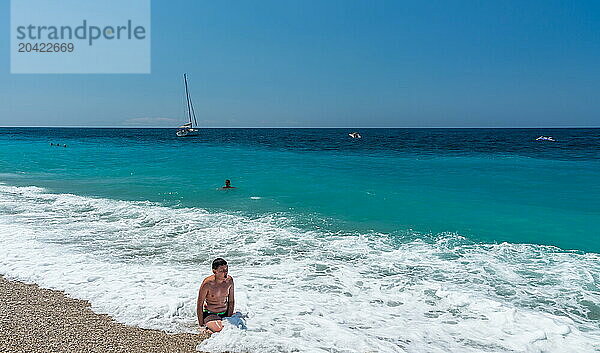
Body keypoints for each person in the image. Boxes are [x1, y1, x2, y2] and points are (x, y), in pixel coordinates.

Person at [197, 258, 235, 333]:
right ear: (214, 271)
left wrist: (229, 317)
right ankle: (208, 328)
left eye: (226, 269)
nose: (225, 272)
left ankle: (212, 328)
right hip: (211, 314)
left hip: (225, 312)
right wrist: (201, 325)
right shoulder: (207, 283)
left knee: (237, 325)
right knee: (220, 331)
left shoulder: (229, 281)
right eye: (222, 271)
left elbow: (231, 301)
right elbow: (199, 304)